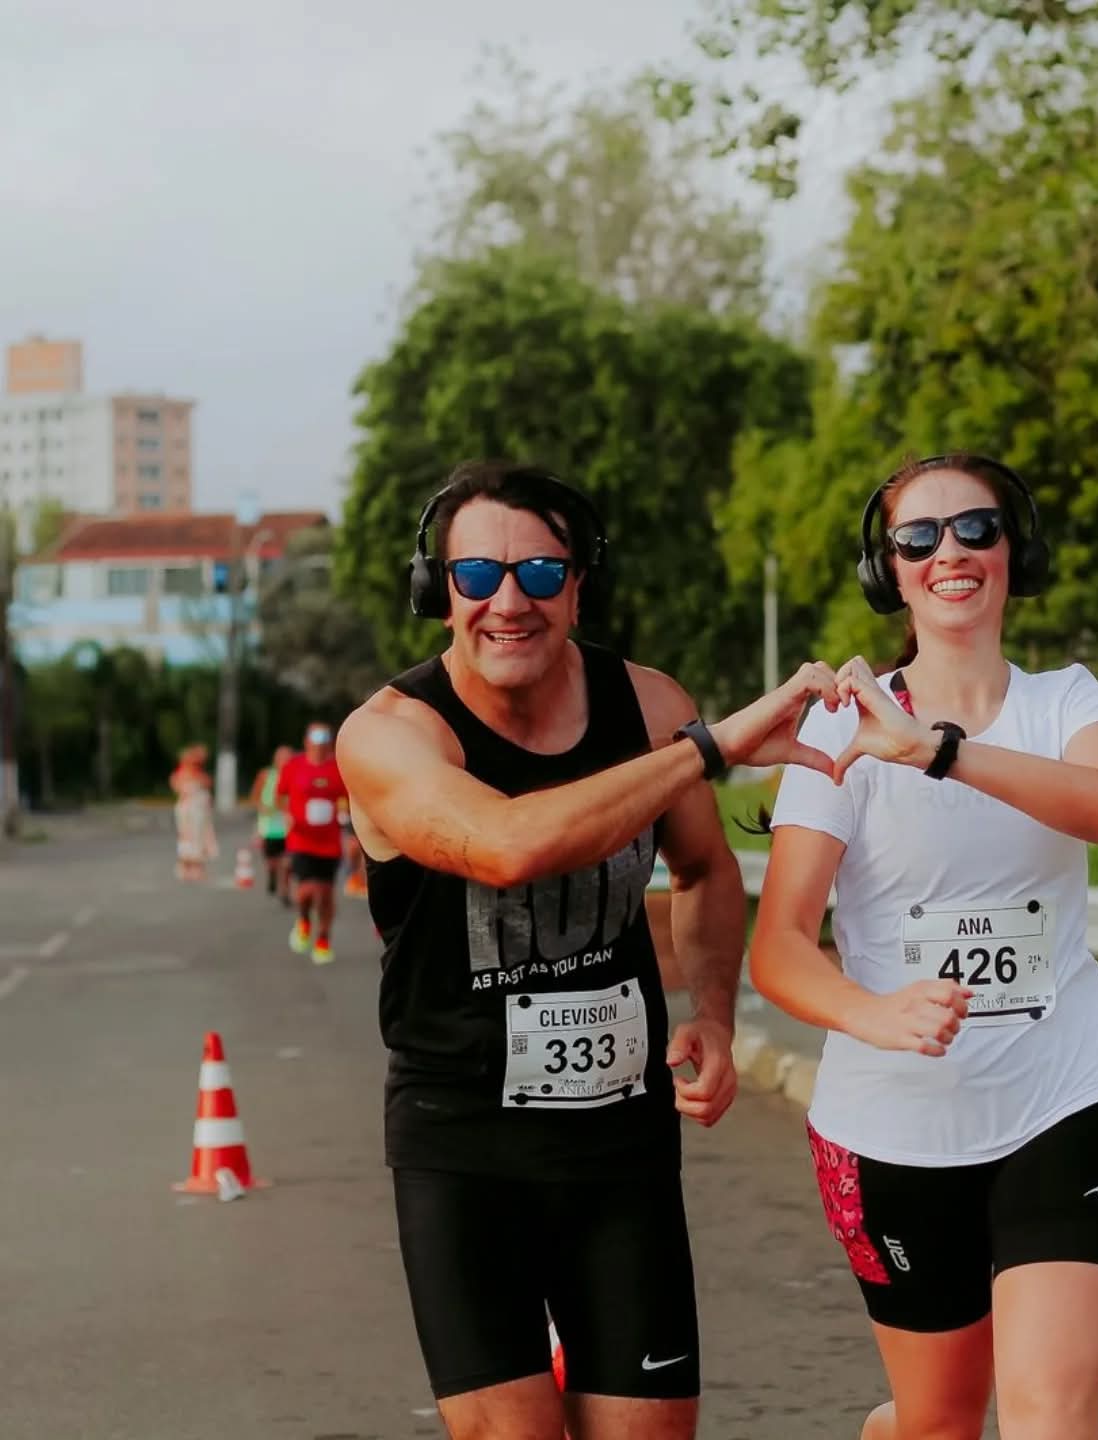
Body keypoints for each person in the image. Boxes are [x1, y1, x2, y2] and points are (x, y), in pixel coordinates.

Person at [335, 460, 839, 1440]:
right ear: (439, 590)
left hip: (620, 1145)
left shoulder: (647, 708)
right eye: (477, 576)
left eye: (539, 573)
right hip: (463, 1143)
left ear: (578, 582)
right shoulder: (391, 736)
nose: (508, 601)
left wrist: (717, 1019)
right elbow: (510, 846)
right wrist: (711, 747)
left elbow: (703, 870)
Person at [750, 452, 1098, 1440]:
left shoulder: (1071, 703)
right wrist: (872, 1012)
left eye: (976, 528)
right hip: (896, 1129)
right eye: (917, 538)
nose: (950, 554)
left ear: (1015, 549)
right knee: (940, 1423)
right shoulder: (838, 732)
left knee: (1048, 1412)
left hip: (1064, 1098)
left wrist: (935, 748)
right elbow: (782, 949)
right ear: (888, 570)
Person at [277, 723, 347, 965]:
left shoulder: (338, 768)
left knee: (326, 893)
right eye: (315, 738)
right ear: (306, 741)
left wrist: (346, 819)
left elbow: (348, 799)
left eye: (324, 738)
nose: (319, 744)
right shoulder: (294, 766)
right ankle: (304, 920)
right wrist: (286, 815)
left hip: (329, 842)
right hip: (301, 840)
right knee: (306, 891)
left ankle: (324, 939)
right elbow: (280, 795)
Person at [249, 745, 294, 904]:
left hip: (289, 824)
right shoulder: (266, 775)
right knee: (272, 861)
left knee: (288, 861)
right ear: (276, 760)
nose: (285, 761)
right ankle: (272, 875)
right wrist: (261, 807)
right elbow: (255, 796)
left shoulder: (296, 775)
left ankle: (285, 890)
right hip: (269, 824)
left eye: (288, 758)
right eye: (282, 758)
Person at [169, 744, 217, 883]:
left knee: (199, 837)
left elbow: (208, 783)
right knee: (189, 836)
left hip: (199, 811)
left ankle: (196, 867)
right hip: (189, 811)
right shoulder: (182, 773)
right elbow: (178, 786)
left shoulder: (198, 773)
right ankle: (186, 866)